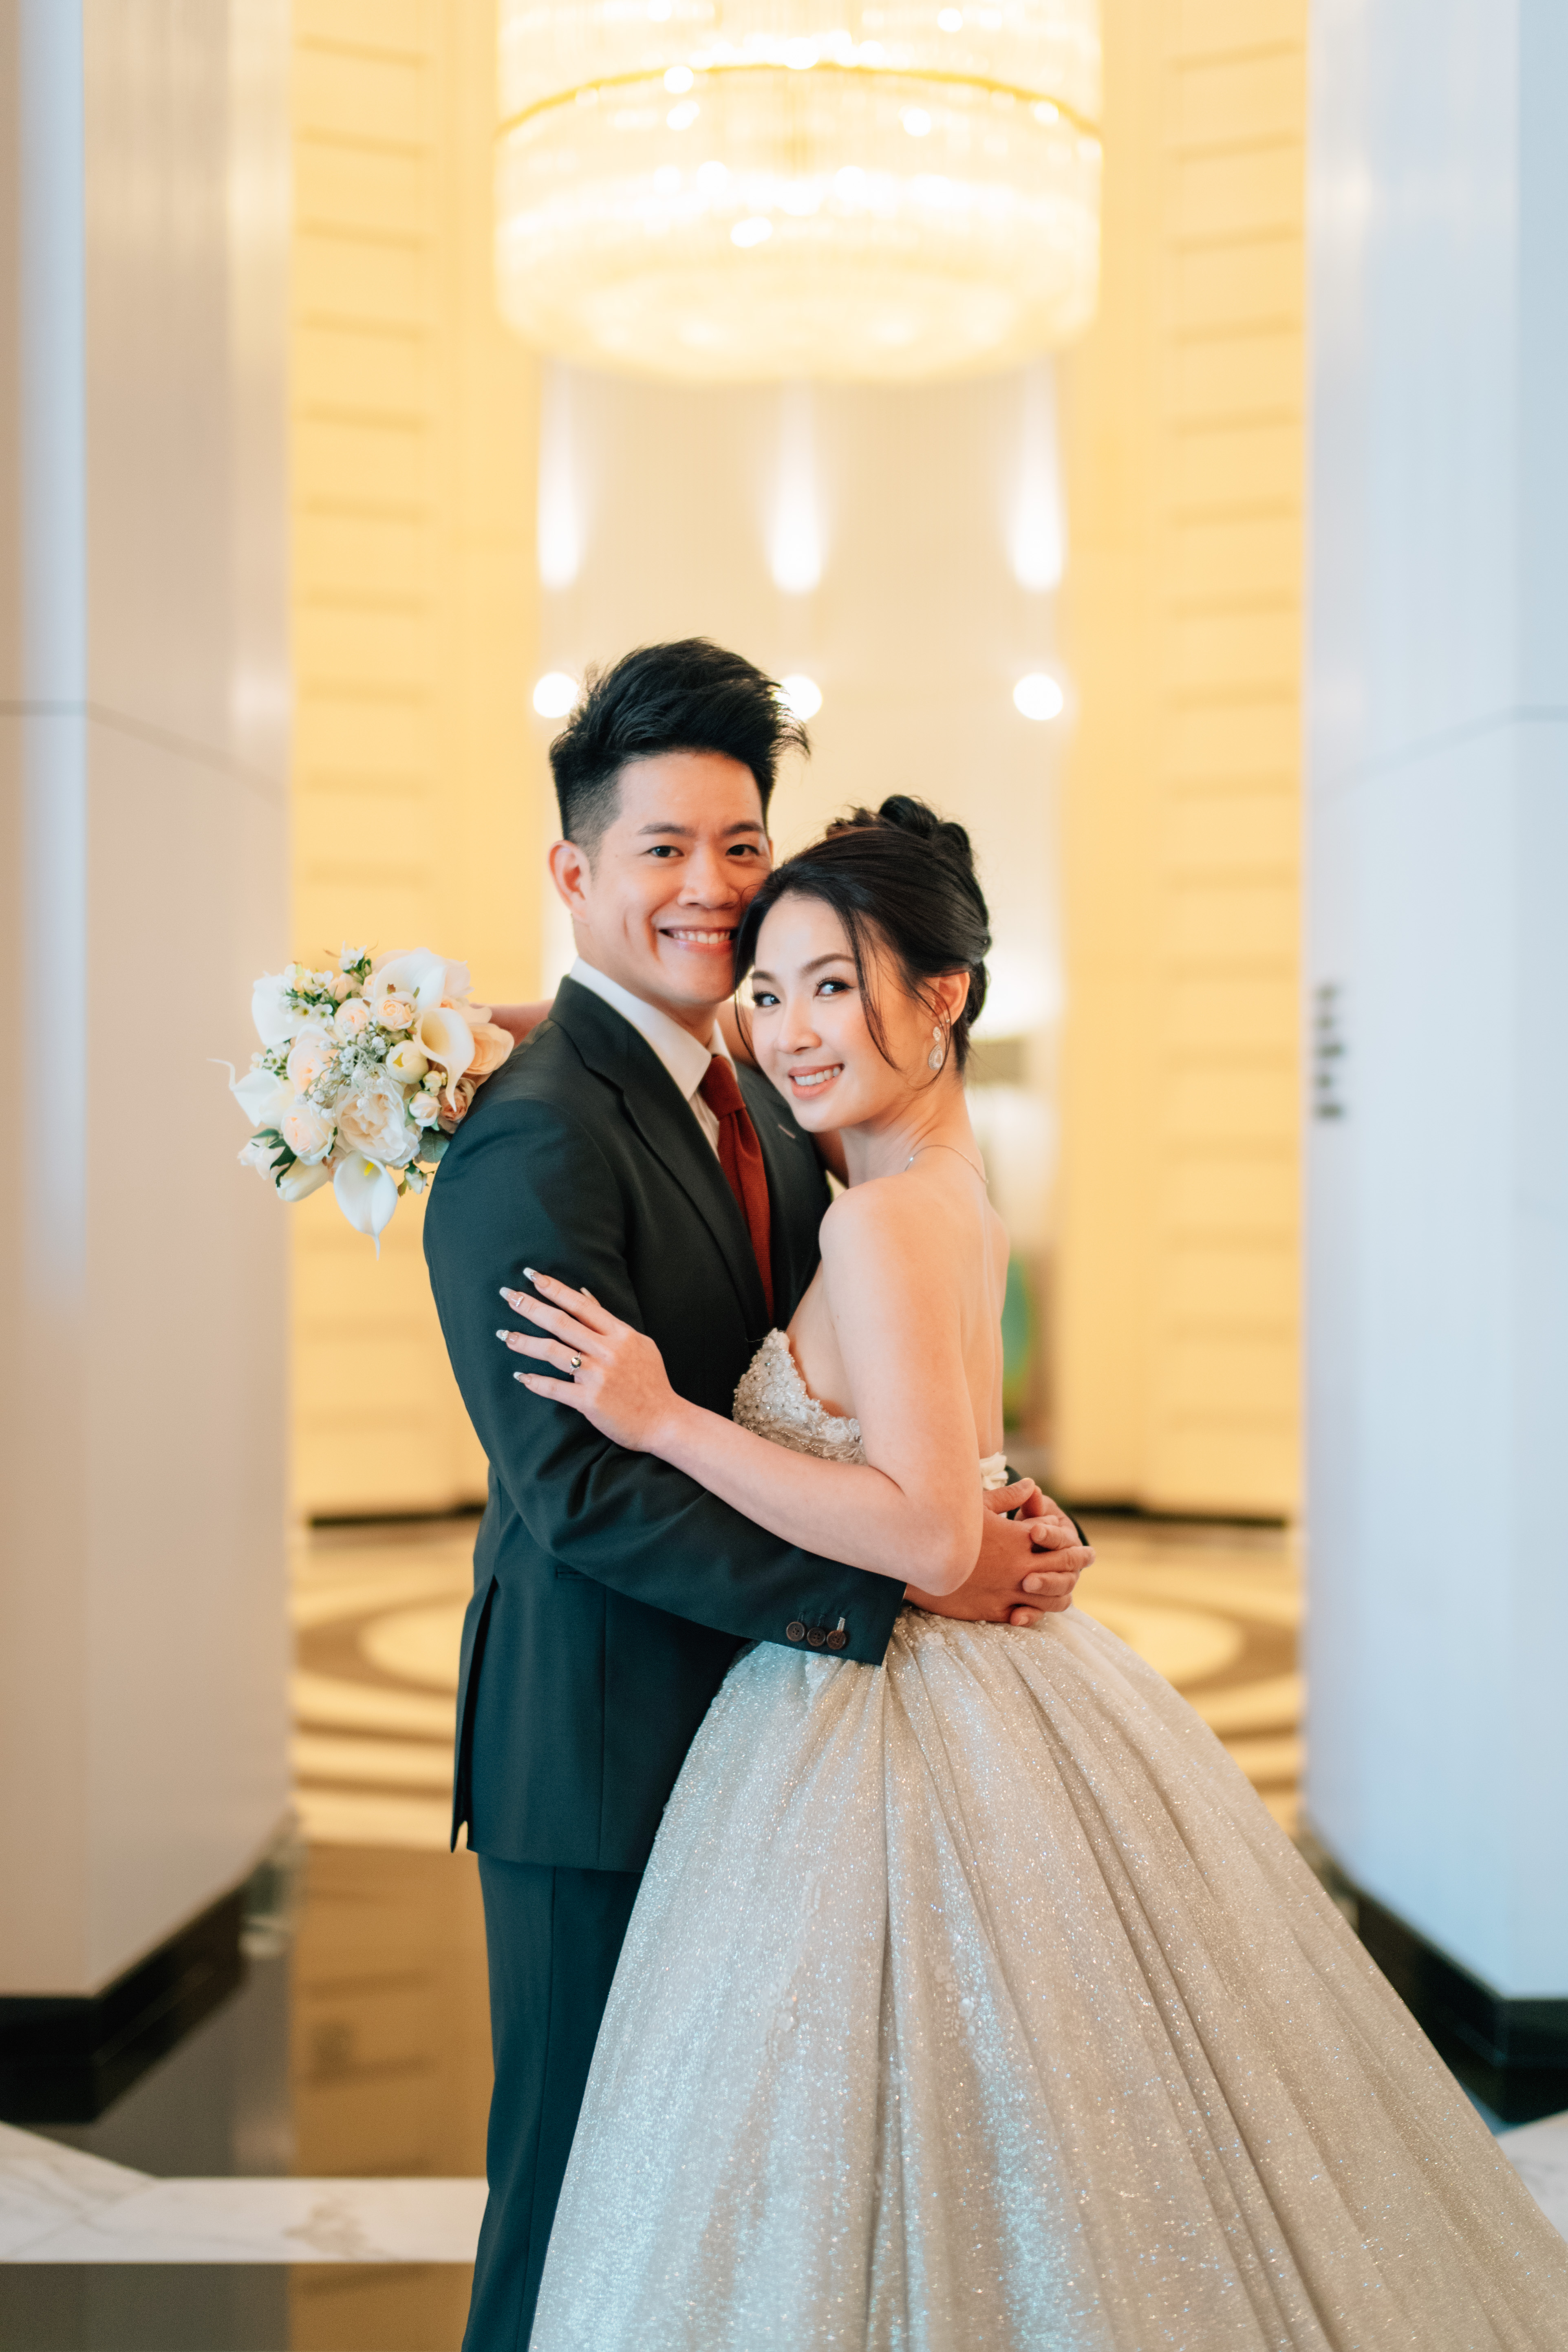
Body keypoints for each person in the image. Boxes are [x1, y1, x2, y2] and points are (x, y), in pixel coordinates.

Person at [504, 800, 1568, 2352]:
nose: (792, 1034)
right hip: (986, 1693)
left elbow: (931, 1537)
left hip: (879, 1711)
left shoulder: (873, 1220)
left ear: (943, 995)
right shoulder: (949, 1191)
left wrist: (662, 1417)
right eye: (774, 990)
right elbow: (956, 1476)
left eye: (833, 985)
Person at [421, 642, 1092, 2352]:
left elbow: (867, 1380)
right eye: (660, 850)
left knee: (727, 2199)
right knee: (575, 2184)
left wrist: (987, 1503)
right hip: (598, 1743)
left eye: (739, 846)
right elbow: (576, 1488)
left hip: (770, 1745)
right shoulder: (534, 1133)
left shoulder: (777, 1100)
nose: (710, 891)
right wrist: (907, 1580)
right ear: (574, 873)